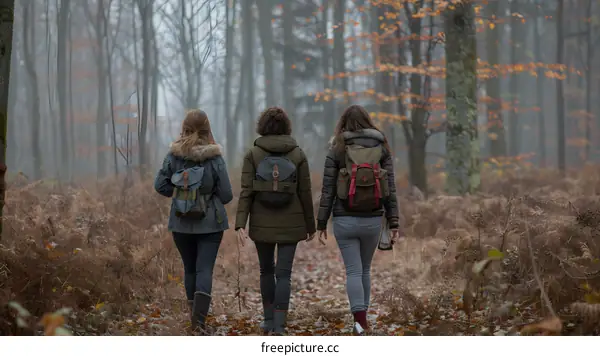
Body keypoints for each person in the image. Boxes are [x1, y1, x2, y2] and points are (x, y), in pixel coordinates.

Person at [316, 104, 401, 335]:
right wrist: (394, 222)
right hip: (372, 219)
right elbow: (390, 188)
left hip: (344, 219)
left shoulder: (338, 148)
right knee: (365, 270)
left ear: (343, 123)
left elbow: (327, 190)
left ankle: (359, 322)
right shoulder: (381, 147)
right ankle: (364, 322)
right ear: (367, 121)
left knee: (353, 271)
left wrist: (321, 223)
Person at [235, 107, 316, 335]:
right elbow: (305, 193)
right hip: (292, 223)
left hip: (262, 221)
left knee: (265, 271)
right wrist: (311, 226)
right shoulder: (298, 154)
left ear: (262, 126)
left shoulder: (253, 154)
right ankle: (280, 325)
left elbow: (246, 192)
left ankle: (268, 320)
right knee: (284, 274)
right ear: (286, 127)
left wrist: (241, 222)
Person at [154, 109, 233, 334]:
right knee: (204, 270)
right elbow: (227, 195)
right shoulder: (215, 158)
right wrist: (207, 196)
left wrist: (180, 194)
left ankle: (193, 320)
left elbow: (160, 185)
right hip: (211, 224)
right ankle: (199, 324)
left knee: (189, 270)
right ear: (208, 129)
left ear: (184, 127)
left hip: (180, 223)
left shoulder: (173, 156)